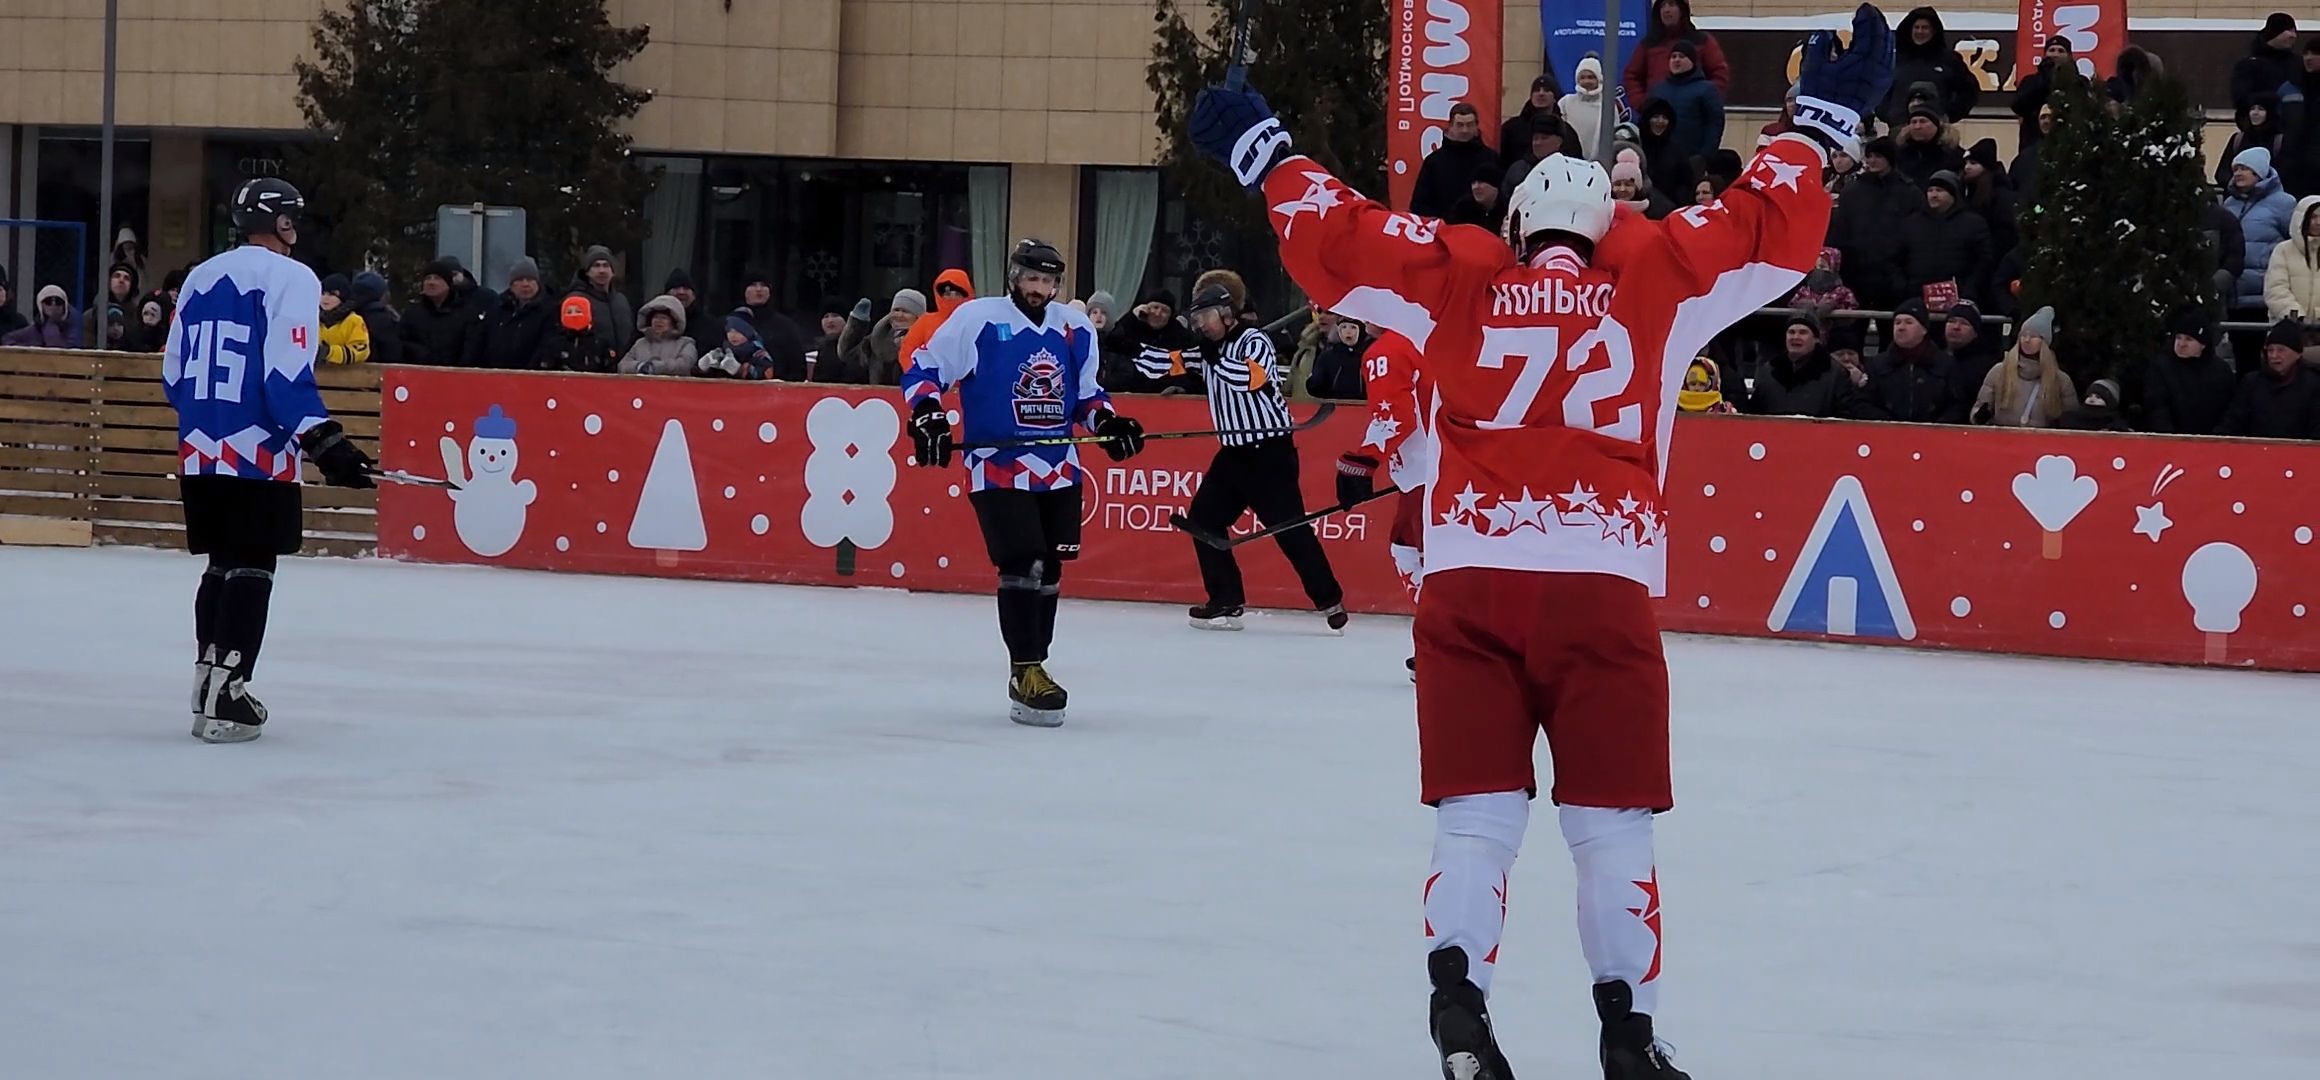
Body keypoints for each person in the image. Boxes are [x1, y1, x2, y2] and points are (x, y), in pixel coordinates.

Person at [1189, 7, 1890, 1076]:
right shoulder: (1655, 269)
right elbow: (1762, 232)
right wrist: (1818, 126)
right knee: (1612, 826)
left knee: (1475, 818)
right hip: (1600, 588)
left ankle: (1458, 992)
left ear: (1517, 223)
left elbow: (1342, 240)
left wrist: (1265, 150)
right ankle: (1629, 1032)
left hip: (1468, 581)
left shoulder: (1458, 272)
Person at [162, 177, 374, 744]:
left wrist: (207, 424)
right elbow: (284, 373)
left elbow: (173, 373)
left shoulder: (199, 276)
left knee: (220, 564)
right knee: (253, 565)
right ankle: (229, 694)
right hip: (258, 449)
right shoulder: (293, 277)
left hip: (200, 448)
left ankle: (207, 681)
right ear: (282, 222)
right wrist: (324, 440)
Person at [901, 239, 1146, 727]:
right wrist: (927, 413)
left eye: (1047, 281)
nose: (1039, 288)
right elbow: (926, 368)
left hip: (1060, 467)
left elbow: (1087, 396)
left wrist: (1109, 424)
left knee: (1049, 569)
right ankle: (1026, 667)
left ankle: (1034, 665)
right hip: (996, 463)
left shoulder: (1076, 327)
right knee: (1024, 561)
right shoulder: (978, 318)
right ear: (1014, 277)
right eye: (1031, 278)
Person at [1177, 282, 1347, 633]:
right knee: (1203, 521)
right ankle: (1225, 598)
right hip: (1234, 454)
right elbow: (1169, 363)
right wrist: (1123, 348)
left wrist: (1215, 359)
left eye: (1206, 316)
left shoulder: (1254, 340)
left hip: (1270, 454)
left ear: (1226, 314)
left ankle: (1330, 600)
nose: (1201, 325)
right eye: (1196, 319)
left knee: (1289, 530)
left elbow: (1251, 378)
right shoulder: (1209, 350)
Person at [2219, 317, 2320, 438]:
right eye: (2270, 350)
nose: (2274, 355)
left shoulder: (2313, 386)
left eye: (2281, 350)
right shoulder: (2251, 383)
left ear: (2297, 353)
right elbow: (2232, 422)